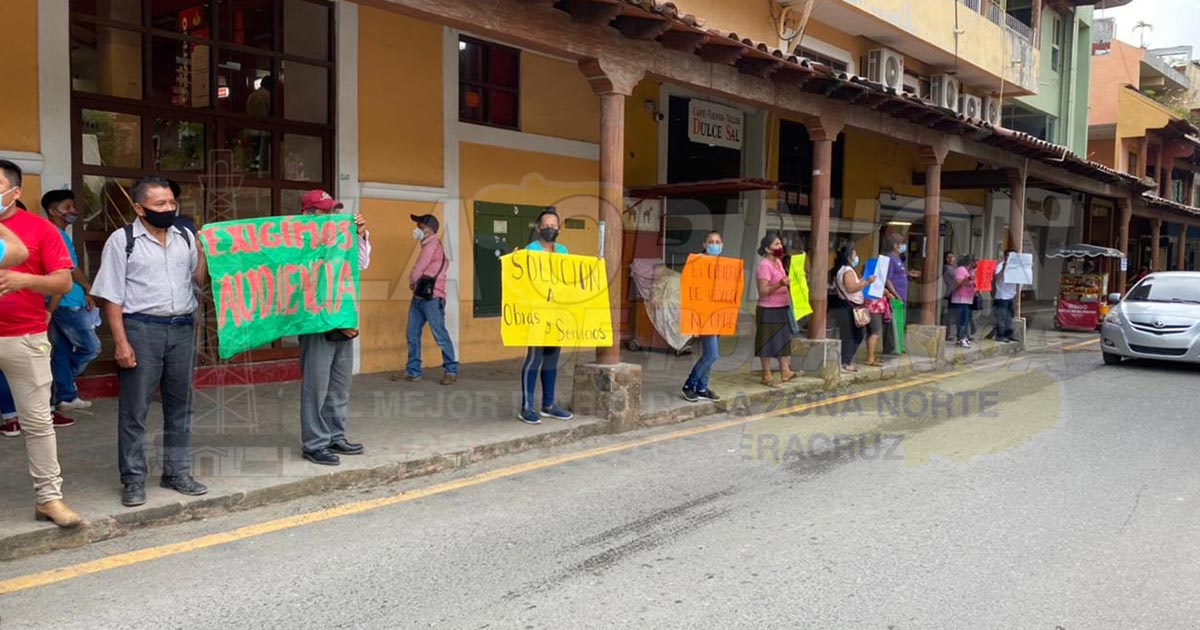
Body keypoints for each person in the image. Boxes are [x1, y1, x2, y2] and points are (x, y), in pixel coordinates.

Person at [91, 176, 208, 507]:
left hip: (183, 328)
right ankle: (133, 479)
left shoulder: (185, 236)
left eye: (172, 203)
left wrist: (201, 252)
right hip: (142, 329)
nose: (168, 209)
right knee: (135, 409)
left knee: (181, 405)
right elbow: (111, 297)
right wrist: (121, 342)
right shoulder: (122, 240)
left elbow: (197, 280)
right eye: (160, 204)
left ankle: (176, 472)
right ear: (139, 207)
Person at [0, 159, 82, 527]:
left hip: (24, 336)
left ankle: (49, 499)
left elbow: (63, 282)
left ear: (15, 192)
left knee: (36, 422)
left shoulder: (40, 230)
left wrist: (23, 282)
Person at [295, 190, 371, 466]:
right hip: (315, 323)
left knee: (340, 384)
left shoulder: (341, 238)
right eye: (324, 212)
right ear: (307, 215)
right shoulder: (295, 241)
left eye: (333, 212)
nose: (330, 217)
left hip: (342, 320)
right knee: (316, 386)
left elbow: (361, 264)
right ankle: (314, 443)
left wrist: (360, 235)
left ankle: (335, 435)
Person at [43, 190, 101, 413]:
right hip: (66, 303)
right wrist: (87, 287)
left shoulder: (59, 233)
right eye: (68, 207)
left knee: (63, 350)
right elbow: (69, 268)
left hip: (64, 300)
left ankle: (66, 396)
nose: (73, 211)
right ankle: (64, 382)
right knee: (92, 347)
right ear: (53, 210)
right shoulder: (55, 234)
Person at [518, 209, 574, 424]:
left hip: (557, 314)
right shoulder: (529, 251)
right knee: (534, 359)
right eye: (546, 225)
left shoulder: (563, 250)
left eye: (554, 225)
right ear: (539, 228)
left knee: (552, 359)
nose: (550, 229)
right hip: (536, 314)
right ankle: (526, 407)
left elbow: (568, 277)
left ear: (559, 229)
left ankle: (548, 405)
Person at [403, 213, 458, 385]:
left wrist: (412, 280)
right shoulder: (430, 244)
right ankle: (414, 370)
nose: (416, 229)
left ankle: (450, 370)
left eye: (419, 226)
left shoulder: (432, 244)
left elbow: (419, 268)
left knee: (437, 335)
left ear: (428, 229)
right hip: (422, 296)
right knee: (413, 334)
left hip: (431, 298)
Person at [682, 231, 724, 402]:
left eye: (718, 241)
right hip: (705, 314)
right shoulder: (697, 261)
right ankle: (689, 385)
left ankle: (701, 387)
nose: (715, 244)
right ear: (704, 245)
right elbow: (689, 288)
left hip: (720, 313)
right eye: (711, 242)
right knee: (712, 355)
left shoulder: (724, 264)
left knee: (708, 353)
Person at [755, 232, 797, 386]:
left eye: (780, 244)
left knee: (783, 340)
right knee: (767, 341)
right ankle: (766, 373)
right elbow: (763, 291)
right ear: (767, 249)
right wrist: (780, 284)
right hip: (768, 308)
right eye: (776, 245)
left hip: (781, 306)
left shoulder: (778, 262)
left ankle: (785, 370)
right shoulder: (764, 266)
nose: (780, 247)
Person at [831, 244, 875, 373]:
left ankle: (846, 361)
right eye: (855, 255)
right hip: (850, 306)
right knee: (854, 335)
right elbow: (850, 288)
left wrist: (862, 280)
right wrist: (867, 282)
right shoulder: (847, 271)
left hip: (845, 305)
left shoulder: (841, 270)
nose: (857, 257)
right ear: (849, 257)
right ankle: (846, 362)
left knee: (850, 334)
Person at [881, 232, 919, 355]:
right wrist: (895, 294)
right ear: (895, 245)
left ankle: (898, 346)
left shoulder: (898, 259)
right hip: (895, 297)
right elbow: (888, 279)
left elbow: (899, 274)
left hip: (902, 296)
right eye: (902, 244)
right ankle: (891, 348)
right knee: (893, 323)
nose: (904, 246)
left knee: (900, 322)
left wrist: (910, 274)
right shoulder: (891, 258)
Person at [950, 254, 978, 348]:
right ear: (970, 262)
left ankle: (963, 337)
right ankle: (961, 338)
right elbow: (958, 282)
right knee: (962, 320)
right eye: (975, 261)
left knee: (965, 319)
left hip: (967, 299)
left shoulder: (969, 271)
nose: (976, 263)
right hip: (960, 298)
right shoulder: (961, 270)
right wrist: (969, 278)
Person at [992, 250, 1018, 343]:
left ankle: (1009, 334)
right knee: (1001, 317)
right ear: (1005, 257)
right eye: (1009, 256)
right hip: (1002, 296)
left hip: (1011, 295)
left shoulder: (1016, 267)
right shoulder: (1000, 265)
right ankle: (1000, 335)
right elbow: (997, 279)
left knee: (1009, 316)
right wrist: (1004, 268)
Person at [941, 252, 957, 341]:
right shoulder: (948, 268)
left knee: (948, 316)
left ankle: (947, 334)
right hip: (948, 294)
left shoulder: (949, 268)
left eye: (952, 257)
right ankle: (946, 335)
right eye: (948, 257)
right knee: (948, 316)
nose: (951, 259)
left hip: (948, 293)